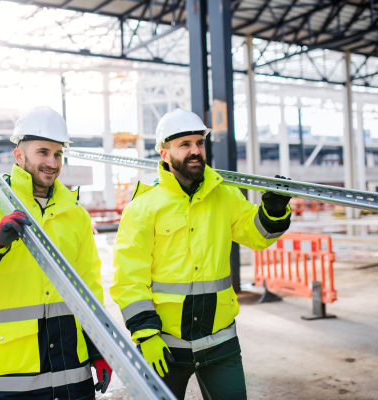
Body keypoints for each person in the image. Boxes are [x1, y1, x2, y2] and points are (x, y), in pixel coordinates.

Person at [110, 108, 291, 400]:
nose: (195, 151)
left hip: (221, 341)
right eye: (185, 145)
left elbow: (257, 234)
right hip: (165, 345)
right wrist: (146, 334)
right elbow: (130, 278)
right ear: (164, 154)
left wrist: (274, 211)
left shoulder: (225, 195)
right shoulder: (143, 208)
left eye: (199, 143)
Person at [0, 106, 112, 399]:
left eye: (58, 154)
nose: (52, 162)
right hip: (13, 377)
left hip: (71, 371)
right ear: (19, 156)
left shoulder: (76, 215)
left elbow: (89, 288)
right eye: (43, 152)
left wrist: (99, 346)